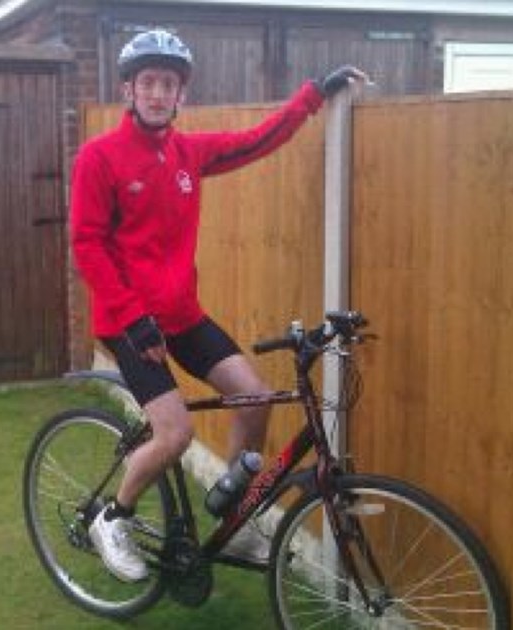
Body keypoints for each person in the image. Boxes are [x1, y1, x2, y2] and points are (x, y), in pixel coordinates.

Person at [70, 28, 369, 582]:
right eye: (148, 82)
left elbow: (255, 140)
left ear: (180, 94)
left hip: (181, 315)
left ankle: (237, 516)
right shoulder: (100, 157)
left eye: (168, 84)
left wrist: (312, 96)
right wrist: (134, 321)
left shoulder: (189, 153)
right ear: (129, 89)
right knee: (175, 434)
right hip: (129, 323)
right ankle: (113, 518)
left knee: (255, 399)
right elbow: (87, 244)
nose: (158, 93)